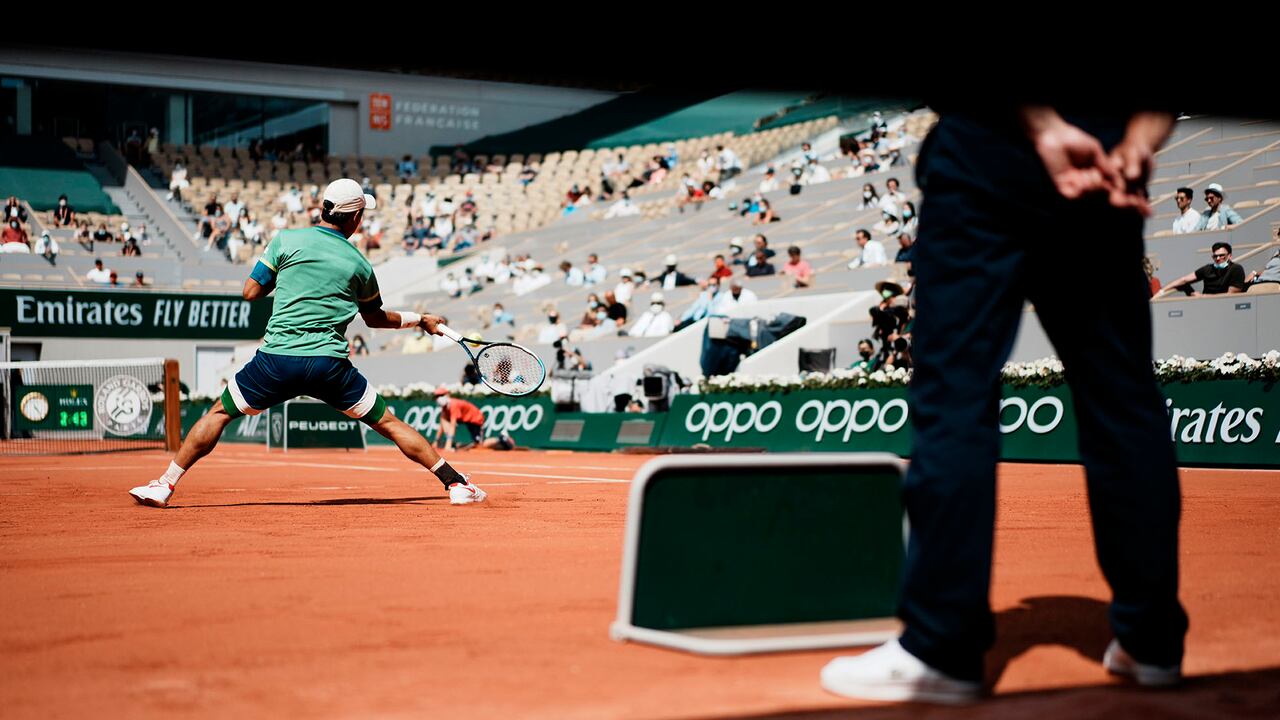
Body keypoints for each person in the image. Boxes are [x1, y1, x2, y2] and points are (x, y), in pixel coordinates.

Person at [820, 107, 1188, 703]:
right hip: (1104, 163)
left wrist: (1044, 127)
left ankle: (941, 648)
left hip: (989, 152)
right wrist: (1137, 143)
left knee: (956, 398)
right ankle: (1151, 642)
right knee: (1123, 401)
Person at [128, 178, 487, 509]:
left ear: (324, 209)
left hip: (275, 360)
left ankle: (165, 485)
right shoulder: (359, 263)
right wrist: (420, 320)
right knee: (389, 423)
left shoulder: (285, 240)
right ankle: (455, 484)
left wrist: (288, 277)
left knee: (219, 414)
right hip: (328, 366)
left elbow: (250, 292)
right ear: (356, 218)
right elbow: (375, 318)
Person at [433, 387, 514, 451]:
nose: (438, 398)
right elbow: (442, 424)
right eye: (436, 397)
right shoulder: (444, 408)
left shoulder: (453, 404)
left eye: (440, 395)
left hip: (476, 419)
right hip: (468, 421)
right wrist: (436, 441)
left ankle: (501, 439)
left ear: (447, 395)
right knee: (444, 420)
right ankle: (452, 444)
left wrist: (448, 444)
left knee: (479, 446)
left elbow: (453, 425)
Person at [1155, 241, 1247, 296]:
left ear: (1230, 256)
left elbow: (1230, 296)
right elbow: (1184, 279)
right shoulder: (1208, 268)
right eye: (1215, 256)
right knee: (1184, 285)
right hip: (1204, 305)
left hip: (1225, 307)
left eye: (1221, 255)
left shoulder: (1236, 269)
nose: (1218, 259)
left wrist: (1203, 297)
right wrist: (1161, 291)